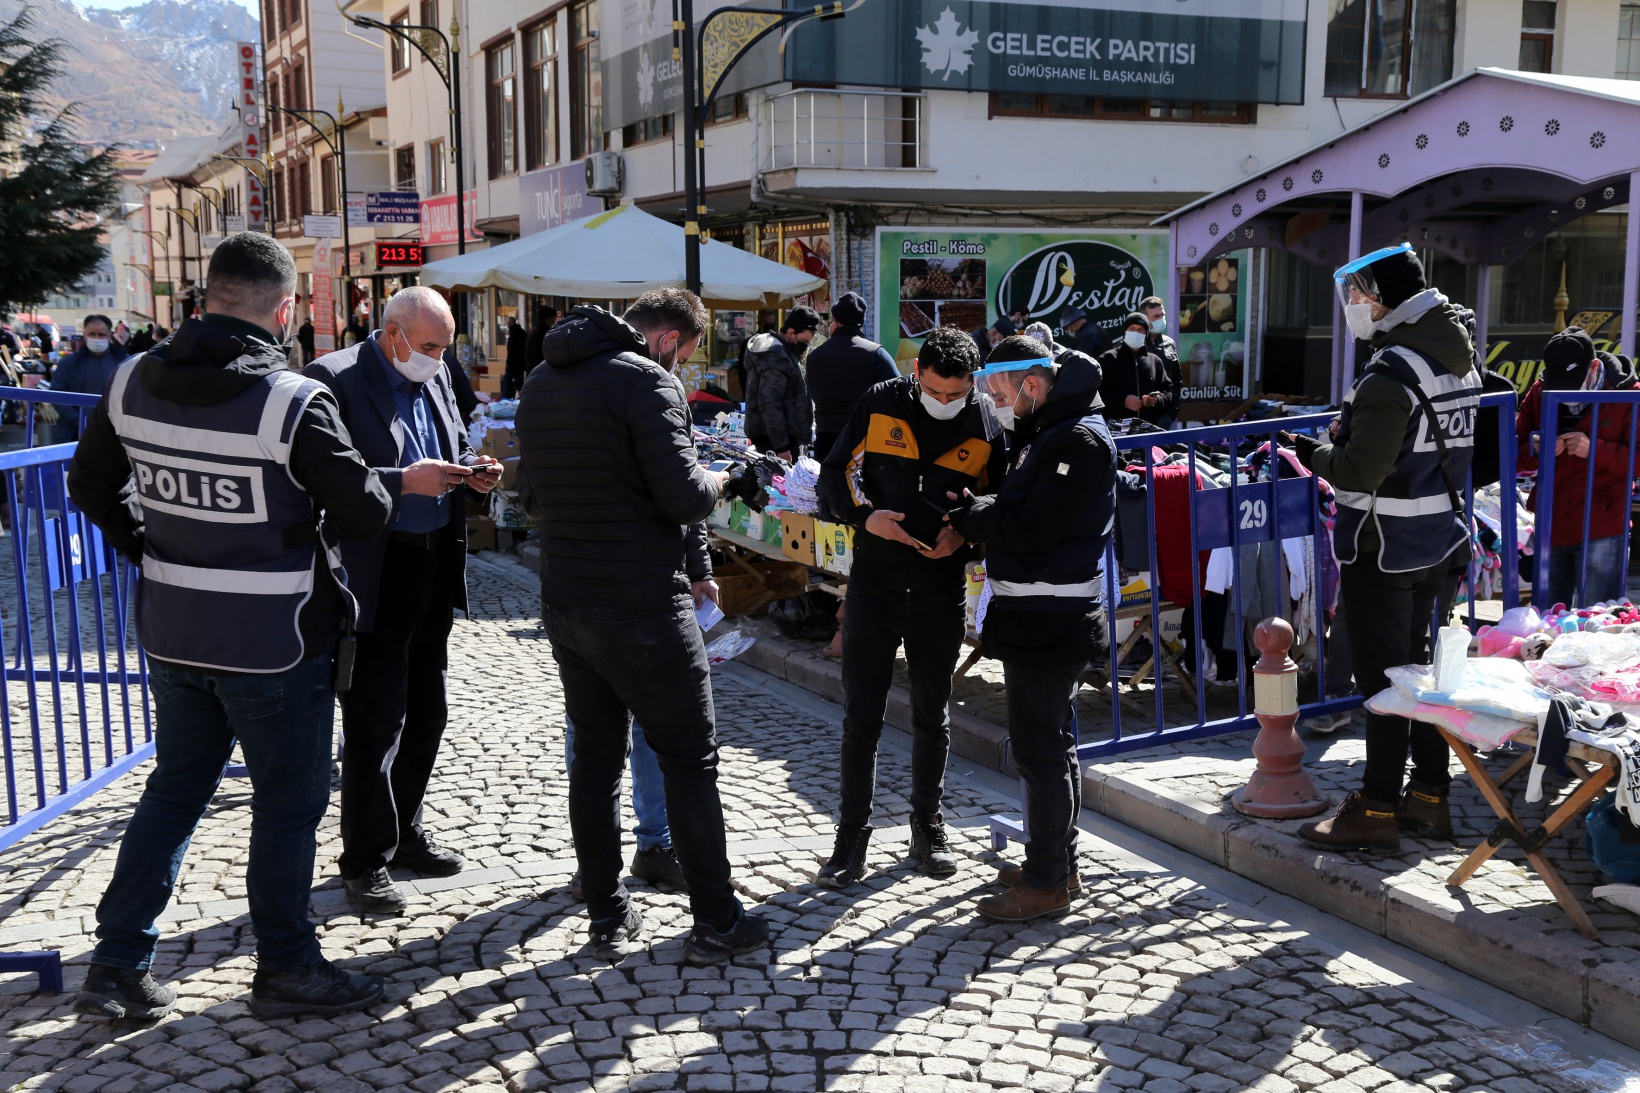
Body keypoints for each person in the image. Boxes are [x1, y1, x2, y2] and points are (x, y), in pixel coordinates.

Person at [65, 231, 396, 1020]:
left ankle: (116, 966)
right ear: (284, 311)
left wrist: (146, 541)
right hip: (275, 641)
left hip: (175, 627)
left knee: (175, 789)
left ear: (206, 296)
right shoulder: (291, 400)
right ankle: (285, 964)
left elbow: (89, 486)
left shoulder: (130, 380)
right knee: (287, 803)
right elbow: (368, 510)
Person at [515, 290, 769, 965]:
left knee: (594, 762)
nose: (684, 369)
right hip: (642, 605)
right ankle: (717, 920)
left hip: (567, 599)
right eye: (685, 355)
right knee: (690, 759)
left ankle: (606, 912)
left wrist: (698, 561)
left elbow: (535, 495)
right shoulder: (646, 381)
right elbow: (685, 495)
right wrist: (729, 478)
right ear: (667, 340)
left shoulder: (541, 379)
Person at [305, 287, 502, 915]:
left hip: (431, 560)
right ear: (392, 334)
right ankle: (364, 858)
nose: (438, 360)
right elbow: (325, 481)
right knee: (376, 717)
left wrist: (472, 472)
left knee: (428, 709)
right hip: (374, 567)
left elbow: (442, 446)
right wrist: (400, 482)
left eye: (444, 349)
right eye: (429, 347)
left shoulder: (436, 375)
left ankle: (405, 831)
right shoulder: (330, 379)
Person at [1289, 243, 1480, 851]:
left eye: (1357, 294)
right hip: (1439, 540)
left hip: (1383, 545)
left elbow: (1356, 473)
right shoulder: (1458, 360)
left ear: (1384, 298)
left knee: (1386, 684)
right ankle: (1428, 797)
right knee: (1421, 676)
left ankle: (1374, 809)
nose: (1352, 305)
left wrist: (1312, 452)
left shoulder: (1391, 371)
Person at [816, 326, 1005, 887]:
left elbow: (1000, 502)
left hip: (939, 588)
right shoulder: (880, 402)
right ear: (917, 370)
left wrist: (967, 541)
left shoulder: (986, 419)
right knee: (862, 716)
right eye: (935, 391)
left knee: (933, 714)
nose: (944, 403)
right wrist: (863, 516)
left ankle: (928, 826)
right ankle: (851, 836)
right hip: (875, 582)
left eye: (956, 394)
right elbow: (833, 475)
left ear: (973, 383)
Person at [943, 334, 1119, 921]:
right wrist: (986, 510)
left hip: (1052, 617)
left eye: (999, 388)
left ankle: (1048, 880)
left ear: (1034, 386)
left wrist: (976, 516)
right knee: (1049, 748)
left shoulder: (1074, 439)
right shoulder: (1049, 431)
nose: (995, 399)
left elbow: (1033, 525)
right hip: (1038, 614)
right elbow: (1020, 506)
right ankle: (1055, 864)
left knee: (1041, 754)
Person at [1516, 329, 1640, 609]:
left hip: (1603, 523)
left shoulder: (1630, 395)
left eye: (1571, 381)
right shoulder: (1539, 391)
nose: (1564, 390)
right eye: (1557, 382)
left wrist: (1594, 449)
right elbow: (1513, 450)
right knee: (1547, 619)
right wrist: (1535, 449)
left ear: (1594, 367)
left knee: (1600, 618)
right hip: (1553, 521)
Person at [807, 291, 898, 461]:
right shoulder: (875, 353)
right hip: (864, 439)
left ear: (837, 321)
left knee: (827, 486)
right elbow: (898, 392)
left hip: (826, 439)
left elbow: (812, 394)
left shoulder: (815, 356)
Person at [744, 305, 820, 460]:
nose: (805, 346)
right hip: (774, 445)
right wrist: (782, 448)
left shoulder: (785, 351)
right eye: (804, 341)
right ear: (791, 332)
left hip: (781, 441)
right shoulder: (775, 356)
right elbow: (770, 404)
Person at [51, 314, 129, 443]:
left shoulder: (125, 362)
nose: (96, 338)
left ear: (110, 335)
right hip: (74, 435)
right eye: (92, 334)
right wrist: (79, 421)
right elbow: (56, 393)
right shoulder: (69, 363)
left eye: (101, 334)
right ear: (84, 335)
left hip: (115, 436)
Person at [1097, 312, 1178, 429]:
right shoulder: (1107, 359)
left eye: (1140, 330)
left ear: (1146, 334)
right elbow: (1097, 393)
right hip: (1116, 430)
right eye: (1132, 329)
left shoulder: (1155, 361)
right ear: (1125, 331)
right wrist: (1123, 400)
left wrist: (1156, 400)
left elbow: (1168, 393)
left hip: (1148, 430)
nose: (1136, 333)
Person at [1139, 295, 1184, 428]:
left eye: (1162, 315)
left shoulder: (1169, 343)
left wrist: (1173, 411)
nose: (1161, 319)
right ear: (1145, 319)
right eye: (1156, 316)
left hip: (1164, 415)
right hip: (1139, 415)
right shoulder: (1135, 342)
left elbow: (1177, 379)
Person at [503, 316, 530, 398]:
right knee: (519, 382)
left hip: (513, 363)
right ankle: (523, 398)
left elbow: (511, 351)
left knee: (506, 381)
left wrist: (508, 364)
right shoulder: (522, 332)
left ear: (508, 324)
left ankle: (505, 398)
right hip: (521, 363)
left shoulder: (513, 334)